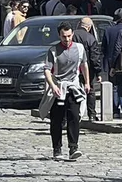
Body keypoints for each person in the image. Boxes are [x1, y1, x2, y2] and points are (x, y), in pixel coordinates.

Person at [45, 22, 88, 160]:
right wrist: (53, 86)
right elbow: (46, 70)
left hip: (74, 87)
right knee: (57, 120)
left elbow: (84, 65)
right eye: (64, 36)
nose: (67, 39)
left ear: (72, 34)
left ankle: (73, 147)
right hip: (59, 88)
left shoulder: (79, 48)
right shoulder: (53, 50)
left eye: (69, 36)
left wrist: (87, 82)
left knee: (74, 117)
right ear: (59, 35)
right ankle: (57, 148)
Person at [75, 17, 104, 122]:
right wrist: (98, 72)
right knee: (90, 90)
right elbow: (94, 57)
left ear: (79, 24)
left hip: (73, 67)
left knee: (74, 90)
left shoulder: (72, 35)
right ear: (89, 27)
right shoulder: (90, 38)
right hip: (88, 68)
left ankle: (74, 113)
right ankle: (91, 114)